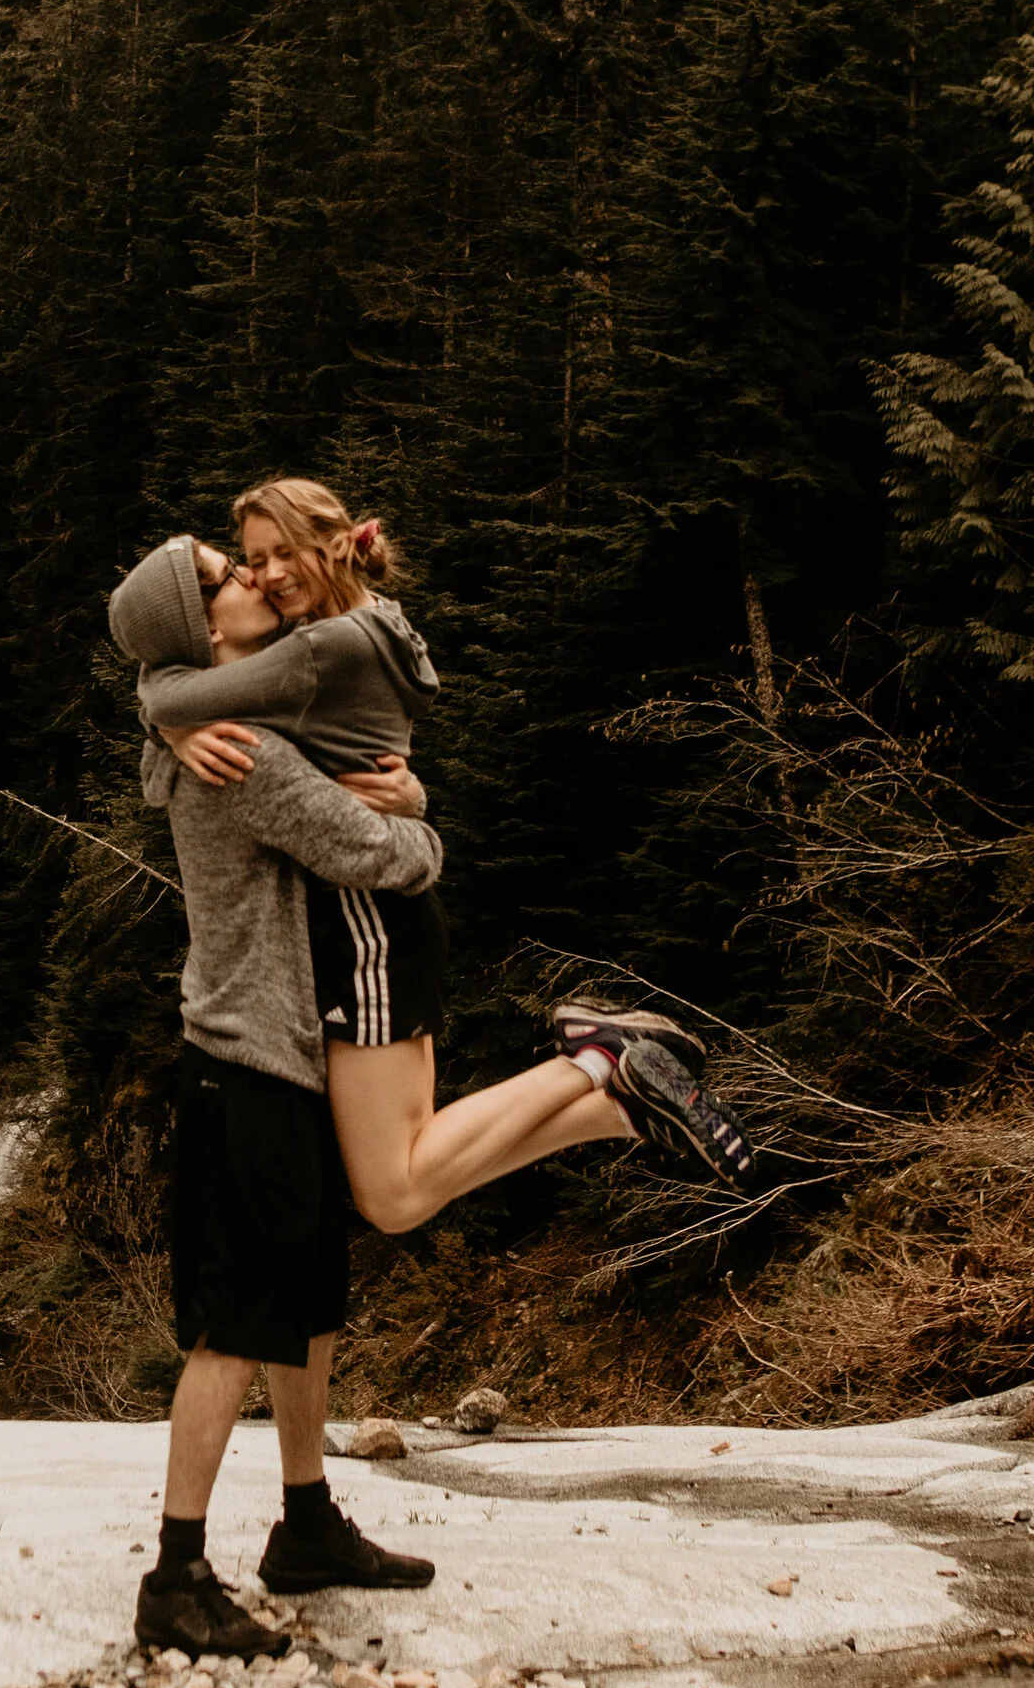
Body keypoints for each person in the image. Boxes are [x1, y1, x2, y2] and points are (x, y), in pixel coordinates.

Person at [146, 477, 754, 1227]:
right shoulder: (368, 625)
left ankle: (599, 1055)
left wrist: (169, 723)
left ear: (332, 543)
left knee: (395, 1195)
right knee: (408, 1172)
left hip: (362, 920)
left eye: (280, 554)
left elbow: (176, 689)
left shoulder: (319, 646)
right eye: (251, 561)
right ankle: (618, 1107)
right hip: (381, 923)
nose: (265, 576)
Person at [107, 533, 445, 1661]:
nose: (251, 579)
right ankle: (177, 1574)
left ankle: (304, 1524)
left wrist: (162, 708)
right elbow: (373, 854)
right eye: (225, 579)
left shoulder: (200, 722)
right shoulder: (240, 751)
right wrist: (422, 824)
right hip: (253, 1059)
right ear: (205, 634)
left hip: (276, 1051)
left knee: (304, 1307)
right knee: (235, 1324)